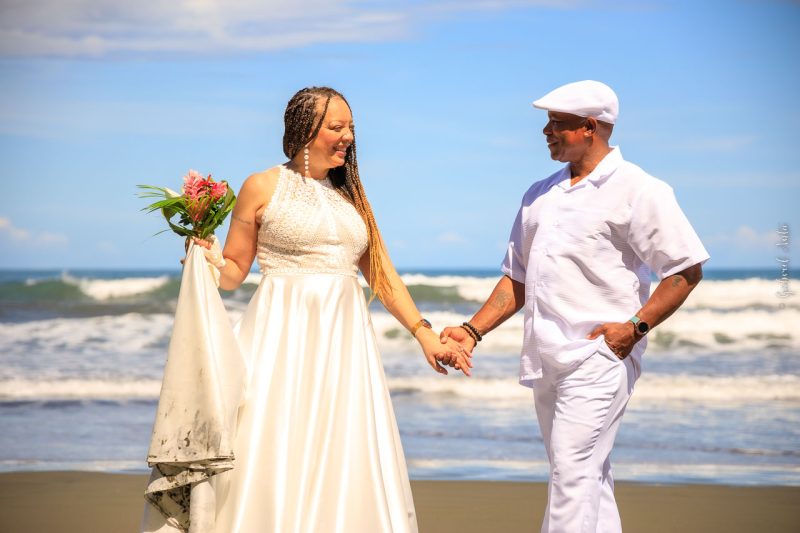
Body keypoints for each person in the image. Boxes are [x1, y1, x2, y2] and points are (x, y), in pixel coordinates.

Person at [145, 86, 471, 533]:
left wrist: (424, 334)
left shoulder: (352, 197)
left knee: (344, 447)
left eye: (351, 127)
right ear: (303, 131)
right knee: (275, 443)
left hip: (344, 344)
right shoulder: (262, 186)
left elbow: (383, 275)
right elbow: (236, 270)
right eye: (336, 127)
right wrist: (206, 261)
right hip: (281, 339)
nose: (348, 137)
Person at [439, 80, 709, 532]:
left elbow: (684, 269)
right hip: (545, 356)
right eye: (547, 123)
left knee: (571, 472)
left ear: (589, 127)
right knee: (588, 476)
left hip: (599, 357)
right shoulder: (538, 194)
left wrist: (634, 328)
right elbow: (517, 280)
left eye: (557, 124)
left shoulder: (639, 189)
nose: (546, 131)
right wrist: (472, 331)